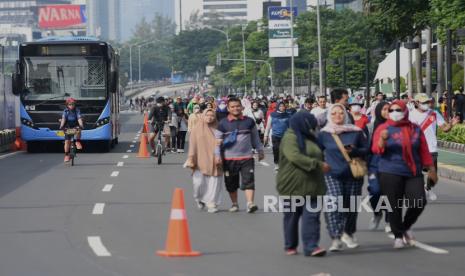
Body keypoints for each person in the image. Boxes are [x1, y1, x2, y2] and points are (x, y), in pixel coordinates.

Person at [372, 100, 437, 249]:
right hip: (390, 171)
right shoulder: (383, 128)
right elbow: (376, 150)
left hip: (412, 171)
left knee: (419, 200)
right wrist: (382, 139)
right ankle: (398, 236)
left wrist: (432, 170)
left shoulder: (415, 129)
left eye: (398, 110)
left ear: (405, 111)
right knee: (394, 206)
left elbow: (424, 151)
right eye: (392, 110)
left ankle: (405, 226)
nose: (395, 113)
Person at [276, 111, 329, 257]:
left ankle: (311, 246)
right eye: (310, 124)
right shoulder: (289, 137)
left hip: (313, 184)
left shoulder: (311, 137)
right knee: (292, 217)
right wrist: (317, 164)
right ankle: (290, 245)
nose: (313, 127)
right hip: (292, 185)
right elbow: (295, 156)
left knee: (312, 217)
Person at [318, 103, 368, 251]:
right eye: (333, 113)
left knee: (351, 206)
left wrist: (355, 150)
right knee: (334, 203)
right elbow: (316, 151)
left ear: (346, 115)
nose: (337, 116)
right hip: (332, 174)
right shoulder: (324, 134)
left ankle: (348, 232)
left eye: (340, 113)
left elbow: (366, 149)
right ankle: (336, 237)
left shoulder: (356, 131)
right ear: (329, 115)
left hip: (353, 174)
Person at [215, 97, 265, 213]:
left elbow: (255, 138)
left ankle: (250, 203)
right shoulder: (223, 124)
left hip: (247, 157)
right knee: (231, 183)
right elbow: (217, 141)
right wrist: (217, 155)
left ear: (242, 107)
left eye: (238, 106)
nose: (236, 108)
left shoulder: (249, 121)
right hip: (229, 159)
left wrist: (260, 150)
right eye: (232, 107)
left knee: (249, 181)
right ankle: (235, 204)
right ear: (228, 108)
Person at [409, 93, 457, 199]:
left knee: (433, 174)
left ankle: (428, 188)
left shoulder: (434, 113)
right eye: (423, 102)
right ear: (416, 103)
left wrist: (452, 124)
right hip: (415, 147)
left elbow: (444, 128)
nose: (426, 104)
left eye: (427, 101)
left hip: (431, 148)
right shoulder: (410, 115)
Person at [185, 108, 223, 213]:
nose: (210, 117)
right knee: (198, 184)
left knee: (214, 182)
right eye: (207, 115)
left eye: (212, 115)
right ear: (203, 116)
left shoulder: (219, 128)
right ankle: (199, 198)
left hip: (216, 160)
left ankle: (212, 203)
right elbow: (192, 145)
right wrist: (191, 158)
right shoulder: (197, 129)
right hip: (199, 160)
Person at [367, 101, 390, 231]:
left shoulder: (396, 126)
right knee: (375, 191)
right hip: (374, 164)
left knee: (390, 193)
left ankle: (389, 220)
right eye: (384, 109)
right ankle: (377, 213)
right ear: (378, 111)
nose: (387, 112)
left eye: (390, 109)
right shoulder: (370, 127)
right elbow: (366, 147)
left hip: (391, 163)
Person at [264, 102, 291, 171]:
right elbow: (268, 126)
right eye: (280, 106)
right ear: (278, 107)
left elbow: (291, 126)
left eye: (283, 106)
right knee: (276, 149)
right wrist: (266, 135)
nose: (282, 107)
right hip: (275, 135)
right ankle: (277, 164)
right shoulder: (272, 115)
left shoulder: (288, 115)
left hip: (285, 136)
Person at [59, 98, 84, 162]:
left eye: (73, 104)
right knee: (67, 141)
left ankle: (78, 141)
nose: (71, 106)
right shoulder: (65, 111)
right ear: (67, 105)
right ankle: (66, 155)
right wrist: (61, 126)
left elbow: (79, 118)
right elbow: (63, 119)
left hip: (75, 125)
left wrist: (81, 125)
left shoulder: (77, 110)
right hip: (68, 126)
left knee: (79, 129)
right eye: (70, 104)